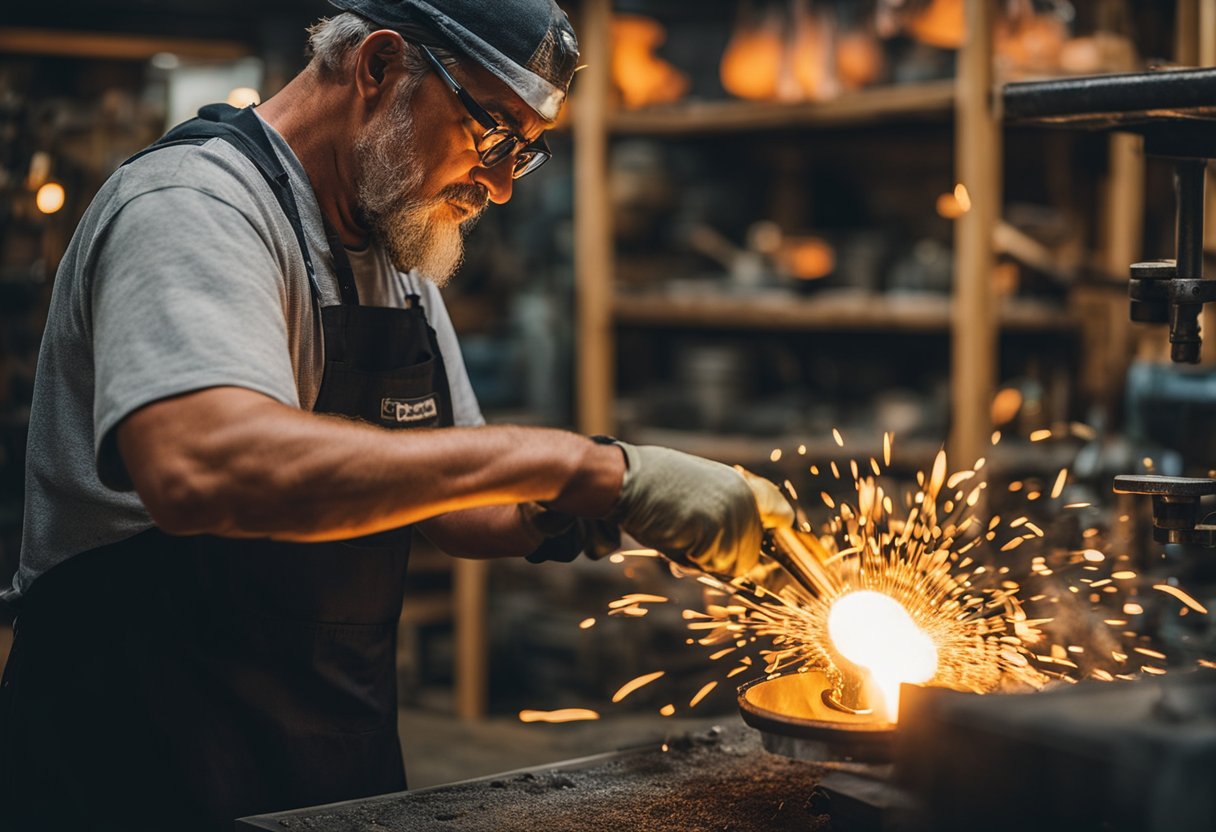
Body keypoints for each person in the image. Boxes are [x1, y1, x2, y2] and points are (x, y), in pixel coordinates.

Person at [0, 1, 792, 829]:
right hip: (136, 758)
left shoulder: (395, 248)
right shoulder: (190, 207)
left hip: (329, 758)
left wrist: (618, 505)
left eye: (523, 152)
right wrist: (582, 465)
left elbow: (458, 502)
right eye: (491, 133)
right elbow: (205, 466)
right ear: (378, 67)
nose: (500, 186)